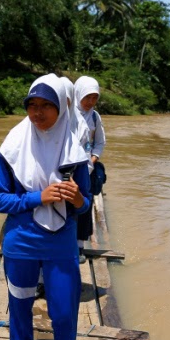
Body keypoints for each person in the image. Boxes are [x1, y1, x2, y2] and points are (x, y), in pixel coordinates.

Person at [0, 74, 92, 340]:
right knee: (19, 307)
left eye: (47, 105)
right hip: (21, 241)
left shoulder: (75, 150)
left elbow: (86, 201)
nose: (38, 112)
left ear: (62, 107)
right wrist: (37, 197)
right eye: (32, 105)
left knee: (63, 310)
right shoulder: (13, 146)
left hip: (61, 243)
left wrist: (76, 200)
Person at [74, 75, 107, 254]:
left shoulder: (94, 117)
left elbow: (100, 143)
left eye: (95, 98)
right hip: (69, 169)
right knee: (66, 204)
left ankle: (79, 246)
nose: (91, 101)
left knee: (84, 205)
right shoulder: (67, 114)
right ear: (78, 94)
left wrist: (93, 160)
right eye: (87, 97)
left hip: (88, 169)